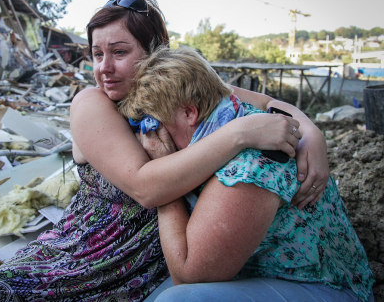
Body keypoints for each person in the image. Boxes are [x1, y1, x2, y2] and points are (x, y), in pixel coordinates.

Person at [0, 0, 330, 301]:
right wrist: (240, 134)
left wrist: (312, 134)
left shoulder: (179, 88)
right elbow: (146, 185)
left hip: (164, 252)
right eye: (97, 54)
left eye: (119, 52)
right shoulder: (92, 104)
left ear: (156, 51)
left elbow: (266, 105)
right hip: (93, 248)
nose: (104, 68)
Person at [118, 45, 374, 302]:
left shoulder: (250, 162)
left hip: (328, 288)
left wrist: (166, 181)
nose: (154, 138)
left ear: (189, 112)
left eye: (157, 126)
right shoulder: (232, 117)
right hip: (271, 276)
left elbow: (187, 274)